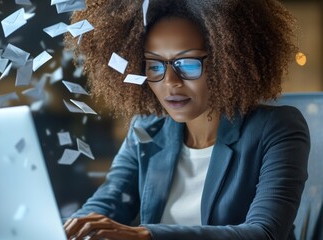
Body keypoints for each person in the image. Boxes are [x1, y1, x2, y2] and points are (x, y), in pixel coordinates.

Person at [63, 0, 310, 239]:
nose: (170, 81)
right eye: (155, 65)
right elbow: (107, 202)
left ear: (227, 61)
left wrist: (146, 234)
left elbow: (264, 233)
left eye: (187, 64)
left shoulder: (277, 128)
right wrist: (72, 230)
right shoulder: (147, 130)